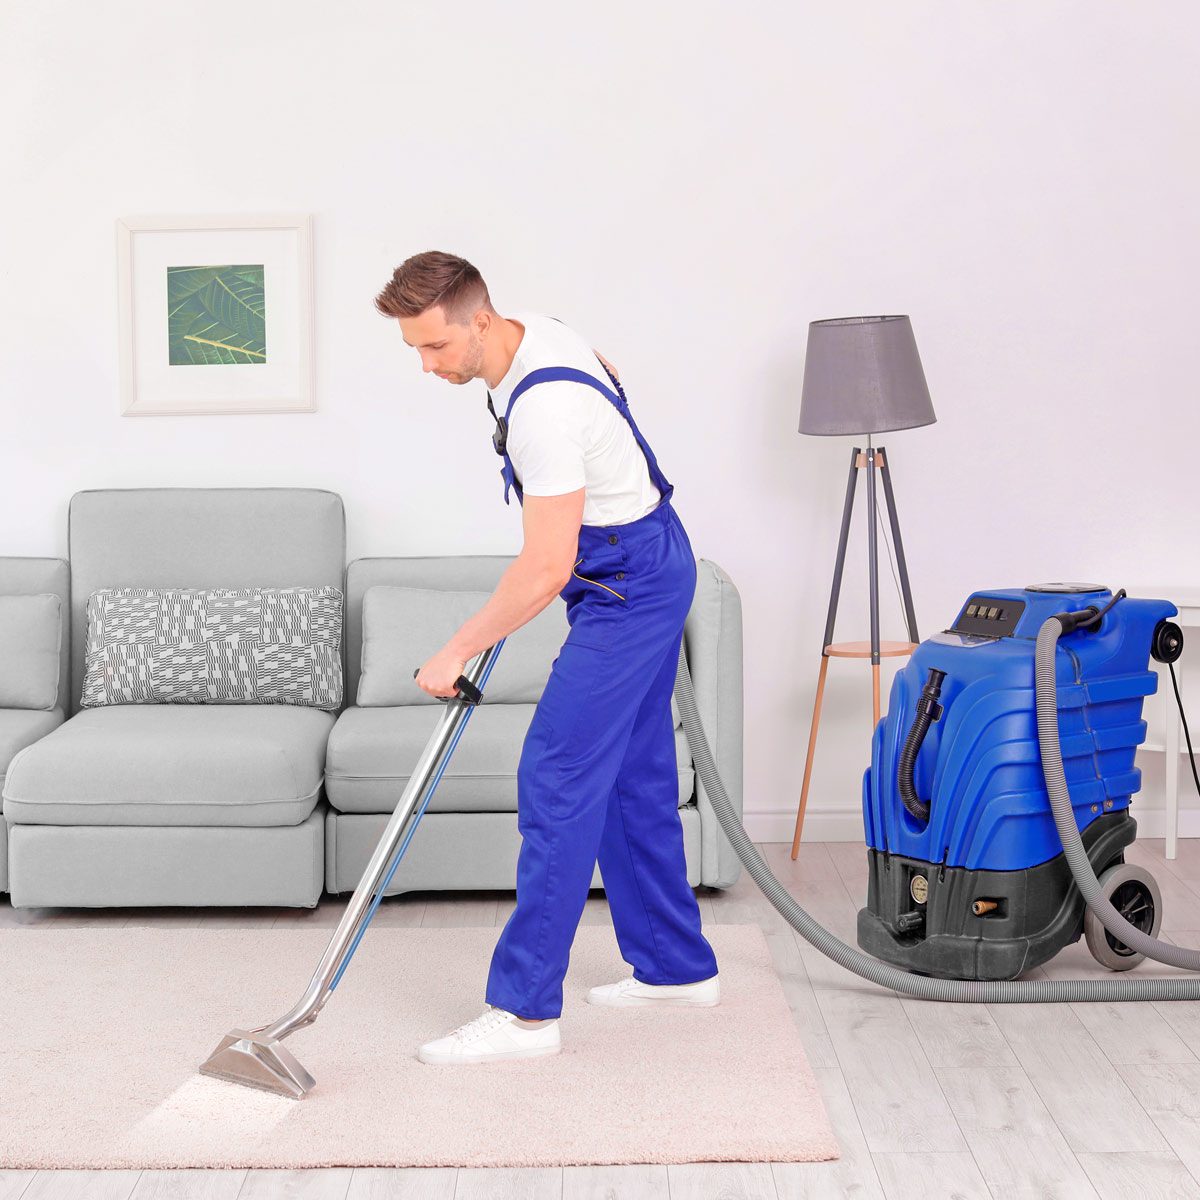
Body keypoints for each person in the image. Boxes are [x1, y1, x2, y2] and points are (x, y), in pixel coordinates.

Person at [373, 251, 719, 1065]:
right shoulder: (542, 335)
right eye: (415, 351)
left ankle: (524, 1012)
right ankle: (675, 967)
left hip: (626, 583)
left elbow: (543, 568)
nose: (428, 367)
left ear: (480, 321)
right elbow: (606, 368)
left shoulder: (544, 411)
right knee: (632, 775)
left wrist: (457, 647)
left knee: (557, 776)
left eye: (436, 349)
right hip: (646, 559)